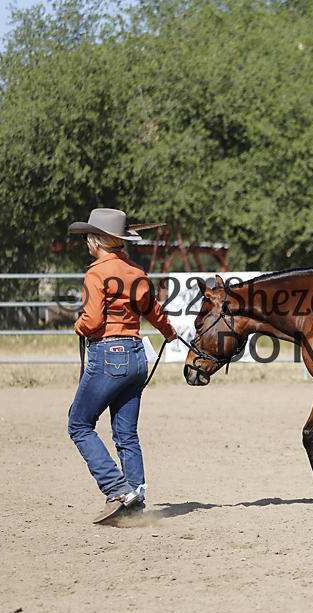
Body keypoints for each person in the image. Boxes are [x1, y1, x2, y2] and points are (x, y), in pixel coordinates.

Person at [66, 208, 177, 524]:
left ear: (96, 240)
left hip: (109, 354)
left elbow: (92, 321)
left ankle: (117, 490)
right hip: (137, 356)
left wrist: (78, 326)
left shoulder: (96, 272)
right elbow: (152, 310)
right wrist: (169, 332)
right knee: (126, 434)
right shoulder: (136, 271)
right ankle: (135, 501)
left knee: (79, 424)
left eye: (87, 238)